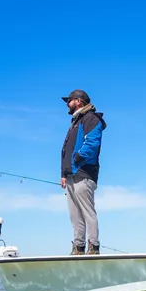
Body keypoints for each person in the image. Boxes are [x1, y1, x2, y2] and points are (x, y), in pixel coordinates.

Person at [60, 89, 107, 255]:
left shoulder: (91, 119)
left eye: (69, 100)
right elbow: (67, 149)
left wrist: (77, 159)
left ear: (78, 101)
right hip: (71, 175)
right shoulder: (75, 122)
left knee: (87, 212)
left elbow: (92, 143)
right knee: (75, 215)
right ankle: (78, 248)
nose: (67, 103)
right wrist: (64, 174)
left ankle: (93, 247)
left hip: (84, 173)